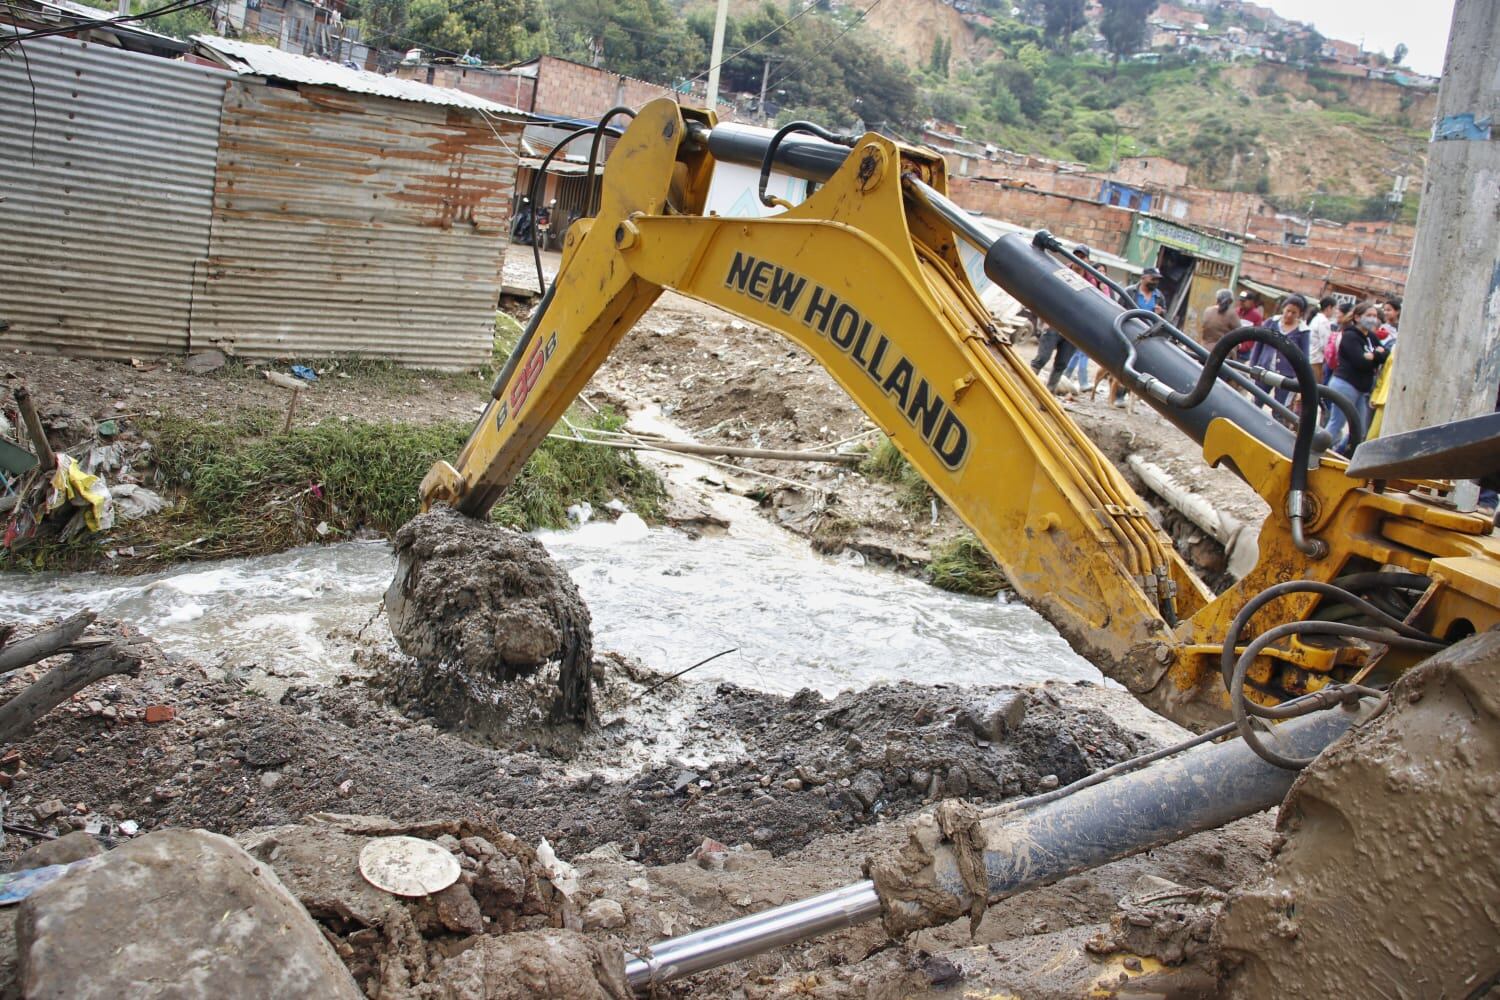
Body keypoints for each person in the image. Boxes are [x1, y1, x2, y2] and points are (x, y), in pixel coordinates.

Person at [1324, 300, 1390, 453]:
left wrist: (1372, 356)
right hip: (1345, 385)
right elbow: (1360, 361)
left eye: (1375, 315)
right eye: (1369, 315)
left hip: (1361, 388)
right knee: (1337, 423)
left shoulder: (1370, 337)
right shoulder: (1350, 336)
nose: (1373, 319)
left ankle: (1339, 453)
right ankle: (1317, 449)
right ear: (1357, 317)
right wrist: (1376, 355)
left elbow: (1385, 354)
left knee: (1359, 429)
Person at [1249, 294, 1311, 408]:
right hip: (1264, 369)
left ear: (1299, 314)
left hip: (1287, 376)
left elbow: (1304, 357)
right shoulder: (1271, 322)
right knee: (1256, 402)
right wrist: (1253, 365)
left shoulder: (1303, 331)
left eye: (1294, 313)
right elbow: (1258, 345)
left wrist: (1300, 378)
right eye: (1288, 311)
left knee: (1280, 408)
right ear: (1283, 309)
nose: (1289, 315)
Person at [1307, 295, 1338, 384]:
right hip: (1316, 359)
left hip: (1311, 356)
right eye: (1334, 308)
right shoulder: (1323, 321)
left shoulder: (1317, 318)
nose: (1335, 312)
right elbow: (1325, 345)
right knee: (1311, 387)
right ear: (1329, 308)